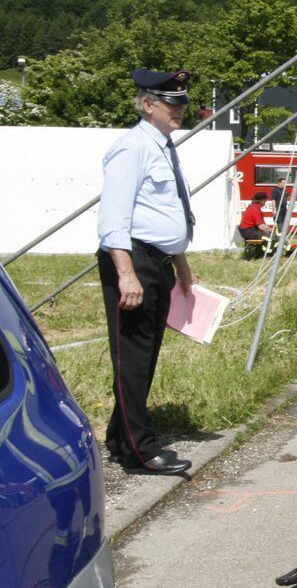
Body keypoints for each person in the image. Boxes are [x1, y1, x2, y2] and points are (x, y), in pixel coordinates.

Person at [96, 68, 196, 476]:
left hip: (157, 262)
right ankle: (140, 452)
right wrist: (126, 274)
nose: (180, 109)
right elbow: (113, 219)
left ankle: (122, 438)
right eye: (172, 103)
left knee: (145, 357)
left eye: (183, 102)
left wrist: (182, 264)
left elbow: (166, 212)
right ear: (148, 104)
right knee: (133, 358)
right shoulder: (132, 147)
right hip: (134, 260)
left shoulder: (163, 146)